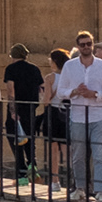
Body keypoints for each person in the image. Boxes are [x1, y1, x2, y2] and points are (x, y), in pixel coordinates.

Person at [56, 33, 102, 200]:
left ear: (93, 45)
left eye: (89, 44)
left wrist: (94, 94)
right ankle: (80, 188)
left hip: (98, 116)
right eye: (82, 45)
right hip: (78, 116)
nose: (86, 47)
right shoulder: (69, 66)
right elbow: (61, 92)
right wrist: (74, 92)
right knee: (78, 155)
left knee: (99, 155)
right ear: (78, 46)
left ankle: (99, 191)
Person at [2, 44, 43, 181]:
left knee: (14, 137)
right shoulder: (35, 69)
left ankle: (21, 172)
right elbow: (41, 88)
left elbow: (10, 90)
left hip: (18, 107)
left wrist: (13, 110)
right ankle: (33, 166)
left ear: (12, 55)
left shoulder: (11, 69)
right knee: (29, 139)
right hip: (31, 108)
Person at [38, 47, 71, 184]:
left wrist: (42, 95)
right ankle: (73, 180)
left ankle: (55, 180)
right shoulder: (69, 76)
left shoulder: (50, 78)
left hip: (53, 113)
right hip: (66, 113)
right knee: (66, 149)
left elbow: (46, 102)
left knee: (53, 149)